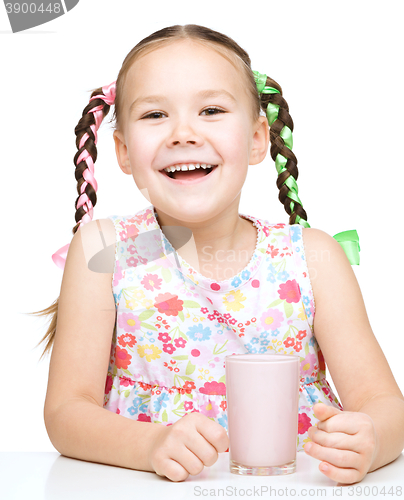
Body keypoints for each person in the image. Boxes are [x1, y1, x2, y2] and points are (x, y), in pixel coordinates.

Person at [32, 24, 404, 484]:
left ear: (256, 139)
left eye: (210, 110)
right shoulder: (102, 251)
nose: (183, 133)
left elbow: (385, 405)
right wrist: (150, 445)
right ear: (124, 152)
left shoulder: (312, 257)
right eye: (154, 115)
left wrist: (370, 438)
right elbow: (66, 414)